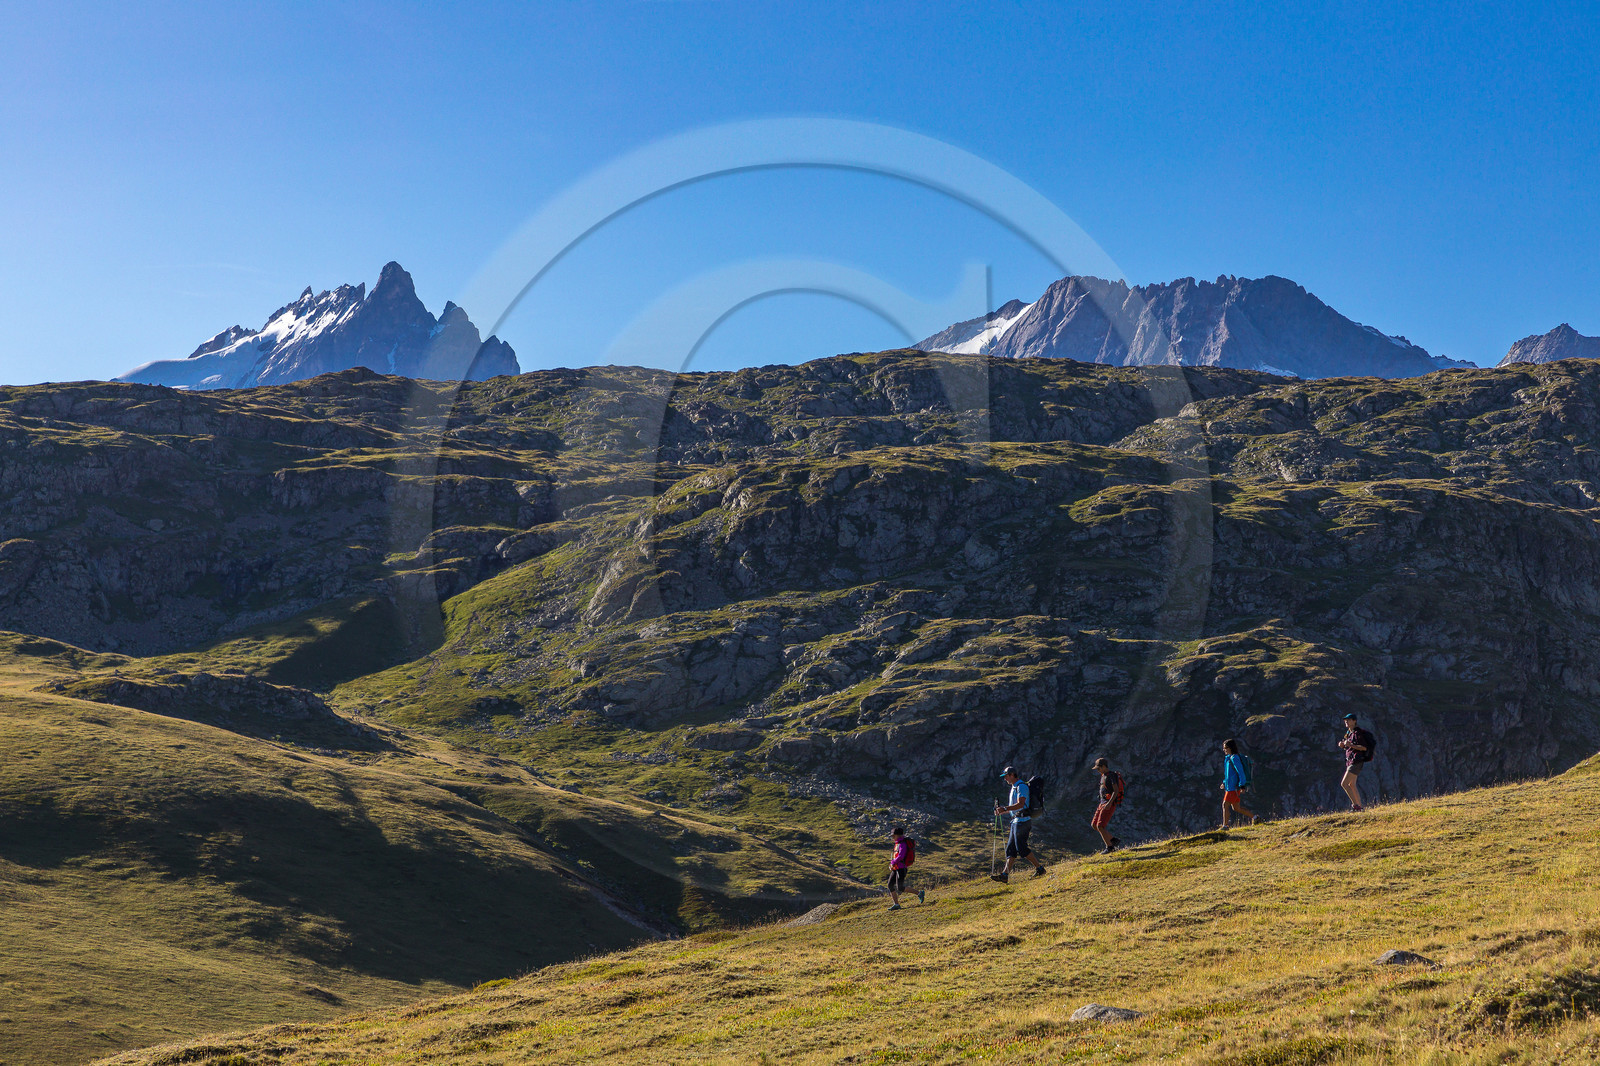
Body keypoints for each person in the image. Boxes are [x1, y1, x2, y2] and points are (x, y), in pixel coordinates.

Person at [990, 766, 1046, 883]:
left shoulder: (1021, 786)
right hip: (1016, 821)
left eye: (1006, 776)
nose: (1005, 778)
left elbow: (1021, 804)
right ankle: (1005, 875)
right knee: (1011, 849)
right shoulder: (1014, 787)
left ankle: (1040, 869)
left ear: (1011, 775)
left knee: (1022, 848)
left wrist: (1004, 808)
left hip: (1022, 822)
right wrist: (1002, 811)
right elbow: (1016, 808)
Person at [1338, 712, 1376, 811]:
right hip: (1352, 761)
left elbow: (1363, 748)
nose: (1346, 721)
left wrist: (1350, 745)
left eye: (1349, 720)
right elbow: (1350, 747)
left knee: (1344, 784)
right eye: (1345, 720)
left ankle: (1356, 806)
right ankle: (1359, 807)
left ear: (1354, 721)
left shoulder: (1357, 733)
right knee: (1352, 784)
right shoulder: (1349, 734)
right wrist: (1344, 746)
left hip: (1355, 761)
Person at [1219, 738, 1258, 828]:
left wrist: (1242, 785)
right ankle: (1255, 818)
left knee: (1225, 805)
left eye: (1225, 748)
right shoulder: (1228, 759)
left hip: (1233, 788)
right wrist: (1224, 782)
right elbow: (1229, 774)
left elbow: (1240, 772)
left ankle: (1225, 826)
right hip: (1230, 787)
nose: (1224, 750)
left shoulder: (1234, 758)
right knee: (1236, 808)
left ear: (1230, 748)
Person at [1091, 757, 1124, 853]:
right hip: (1102, 803)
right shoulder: (1103, 775)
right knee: (1094, 825)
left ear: (1104, 766)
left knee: (1100, 826)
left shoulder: (1111, 775)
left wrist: (1109, 803)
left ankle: (1110, 847)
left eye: (1098, 768)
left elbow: (1116, 790)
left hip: (1109, 803)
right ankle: (1114, 840)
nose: (1097, 770)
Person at [886, 826, 923, 909]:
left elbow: (901, 856)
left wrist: (892, 862)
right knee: (890, 885)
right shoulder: (897, 843)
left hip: (901, 868)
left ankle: (919, 893)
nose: (892, 837)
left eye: (893, 836)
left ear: (898, 835)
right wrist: (892, 865)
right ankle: (896, 905)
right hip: (896, 868)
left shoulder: (902, 844)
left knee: (900, 887)